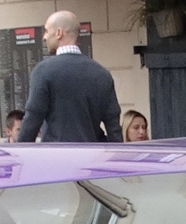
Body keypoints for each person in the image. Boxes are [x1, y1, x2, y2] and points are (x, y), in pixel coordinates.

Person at [15, 11, 121, 142]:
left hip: (57, 157)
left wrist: (21, 153)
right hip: (93, 156)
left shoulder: (43, 71)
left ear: (59, 33)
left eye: (47, 31)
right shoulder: (102, 74)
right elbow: (113, 126)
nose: (44, 37)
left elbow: (33, 119)